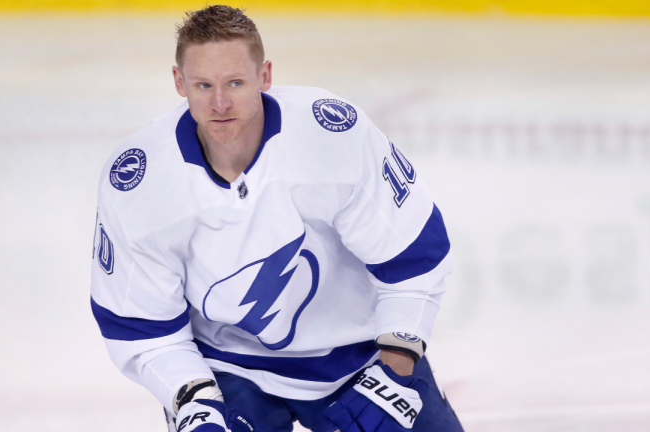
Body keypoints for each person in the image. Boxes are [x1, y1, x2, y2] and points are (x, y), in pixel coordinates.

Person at [90, 5, 463, 432]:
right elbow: (142, 326)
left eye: (235, 82)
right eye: (203, 85)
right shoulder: (139, 184)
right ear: (179, 83)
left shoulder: (332, 136)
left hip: (359, 355)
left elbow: (413, 257)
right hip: (227, 370)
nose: (219, 103)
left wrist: (395, 368)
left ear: (265, 76)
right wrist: (193, 399)